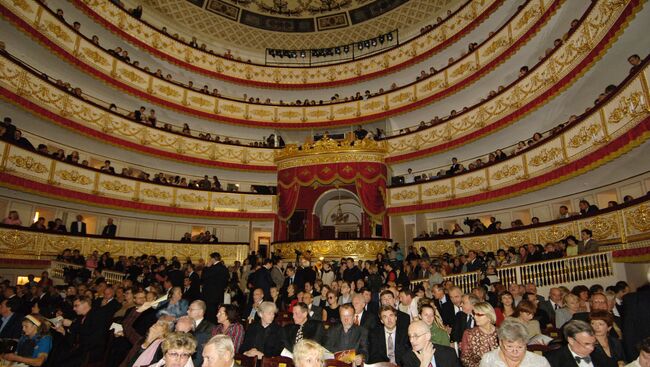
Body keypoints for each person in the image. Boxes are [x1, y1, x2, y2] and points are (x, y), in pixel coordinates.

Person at [479, 318, 550, 366]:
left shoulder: (539, 362)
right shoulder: (488, 359)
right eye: (510, 346)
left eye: (520, 347)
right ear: (500, 343)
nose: (515, 352)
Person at [461, 302, 498, 367]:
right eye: (474, 314)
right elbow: (465, 359)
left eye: (479, 314)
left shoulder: (500, 332)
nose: (475, 317)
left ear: (489, 316)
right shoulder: (469, 334)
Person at [202, 252, 228, 323]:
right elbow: (226, 282)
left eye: (210, 258)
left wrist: (207, 267)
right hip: (219, 295)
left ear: (213, 259)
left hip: (210, 295)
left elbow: (203, 277)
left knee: (210, 315)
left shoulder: (212, 268)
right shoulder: (224, 268)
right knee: (217, 313)